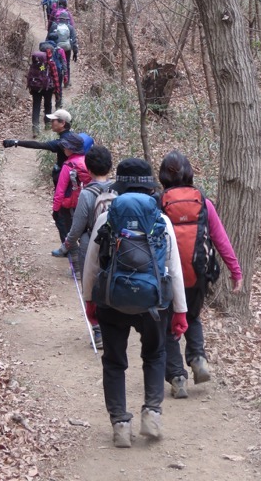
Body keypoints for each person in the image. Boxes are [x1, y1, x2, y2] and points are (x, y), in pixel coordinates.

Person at [83, 158, 188, 448]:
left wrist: (90, 299)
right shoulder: (161, 219)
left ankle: (119, 425)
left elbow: (92, 263)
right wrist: (180, 310)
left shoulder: (108, 215)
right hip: (154, 304)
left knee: (114, 362)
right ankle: (152, 414)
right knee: (154, 356)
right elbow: (174, 267)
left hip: (112, 301)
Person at [159, 150, 243, 399]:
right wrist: (235, 271)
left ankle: (177, 378)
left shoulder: (158, 201)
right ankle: (198, 359)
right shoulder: (203, 202)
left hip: (167, 276)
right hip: (198, 274)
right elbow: (221, 239)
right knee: (192, 317)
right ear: (189, 172)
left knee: (167, 326)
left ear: (163, 175)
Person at [62, 145, 114, 349]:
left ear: (89, 170)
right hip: (116, 244)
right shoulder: (117, 190)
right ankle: (112, 327)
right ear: (109, 167)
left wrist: (67, 243)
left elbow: (77, 227)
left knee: (90, 286)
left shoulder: (86, 194)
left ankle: (98, 330)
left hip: (90, 244)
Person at [2, 108, 73, 187]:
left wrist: (16, 142)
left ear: (62, 123)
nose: (51, 122)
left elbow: (39, 145)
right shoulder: (73, 137)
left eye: (53, 120)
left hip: (64, 179)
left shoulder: (62, 142)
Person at [51, 132, 91, 256]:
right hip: (87, 202)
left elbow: (60, 190)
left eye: (66, 146)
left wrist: (56, 209)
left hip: (69, 204)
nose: (64, 149)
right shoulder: (86, 161)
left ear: (72, 149)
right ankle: (84, 257)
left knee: (68, 231)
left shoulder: (69, 165)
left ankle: (70, 255)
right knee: (84, 232)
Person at [25, 51, 60, 137]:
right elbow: (55, 77)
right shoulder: (49, 64)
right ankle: (48, 124)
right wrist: (57, 90)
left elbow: (30, 76)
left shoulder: (35, 65)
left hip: (35, 88)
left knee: (36, 106)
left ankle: (35, 128)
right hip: (47, 88)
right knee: (48, 104)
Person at [48, 11, 78, 84]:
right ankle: (67, 81)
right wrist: (75, 53)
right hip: (67, 48)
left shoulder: (54, 26)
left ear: (59, 19)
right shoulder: (70, 28)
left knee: (54, 62)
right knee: (67, 63)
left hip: (56, 48)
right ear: (67, 20)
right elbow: (74, 41)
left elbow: (48, 38)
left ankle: (54, 79)